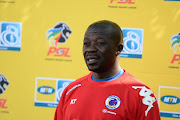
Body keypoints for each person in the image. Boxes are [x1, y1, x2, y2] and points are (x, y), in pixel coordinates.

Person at [54, 20, 161, 120]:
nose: (90, 49)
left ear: (118, 49)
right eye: (86, 43)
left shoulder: (142, 95)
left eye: (100, 43)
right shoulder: (71, 90)